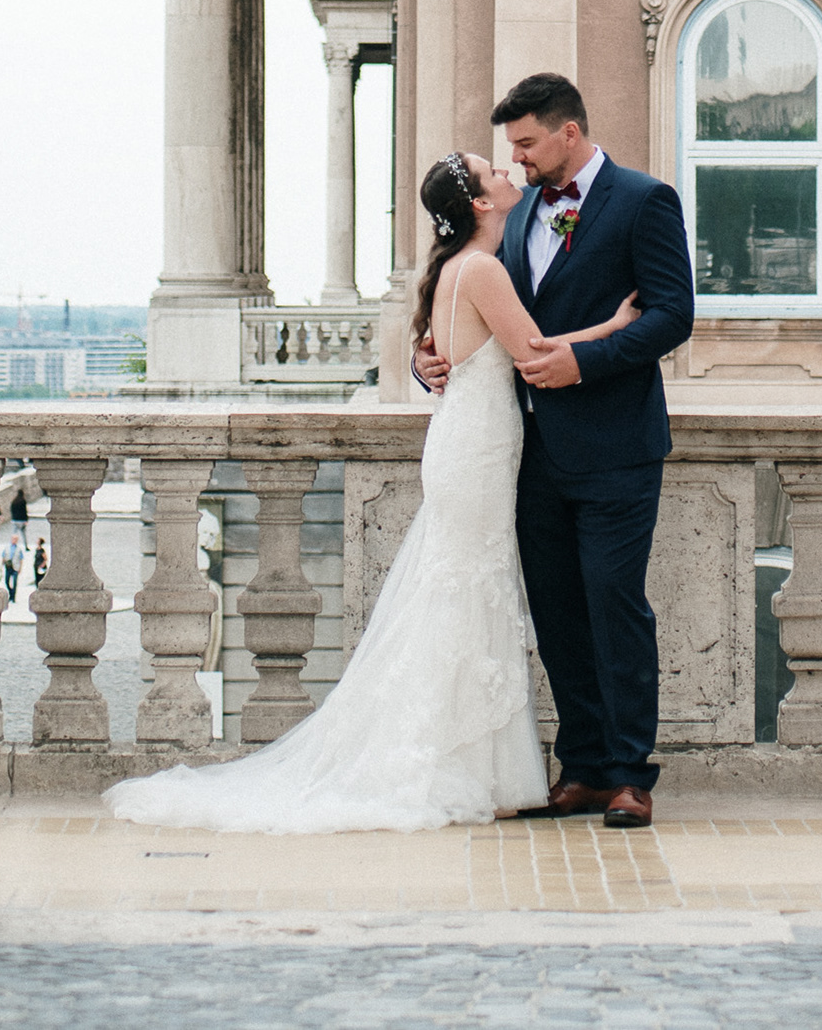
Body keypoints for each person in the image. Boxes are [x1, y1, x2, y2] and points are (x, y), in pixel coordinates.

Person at [104, 148, 639, 834]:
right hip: (477, 449)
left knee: (464, 591)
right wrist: (615, 327)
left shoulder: (461, 265)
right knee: (467, 590)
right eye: (493, 172)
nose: (508, 172)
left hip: (471, 443)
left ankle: (468, 762)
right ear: (479, 202)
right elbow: (535, 355)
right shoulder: (481, 268)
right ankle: (453, 765)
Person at [413, 75, 695, 829]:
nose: (518, 159)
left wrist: (586, 361)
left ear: (569, 131)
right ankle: (584, 767)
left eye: (528, 143)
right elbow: (478, 315)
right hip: (525, 452)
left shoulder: (644, 201)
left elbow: (672, 315)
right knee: (556, 612)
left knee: (615, 604)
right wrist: (428, 359)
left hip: (614, 445)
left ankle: (630, 774)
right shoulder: (514, 214)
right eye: (509, 149)